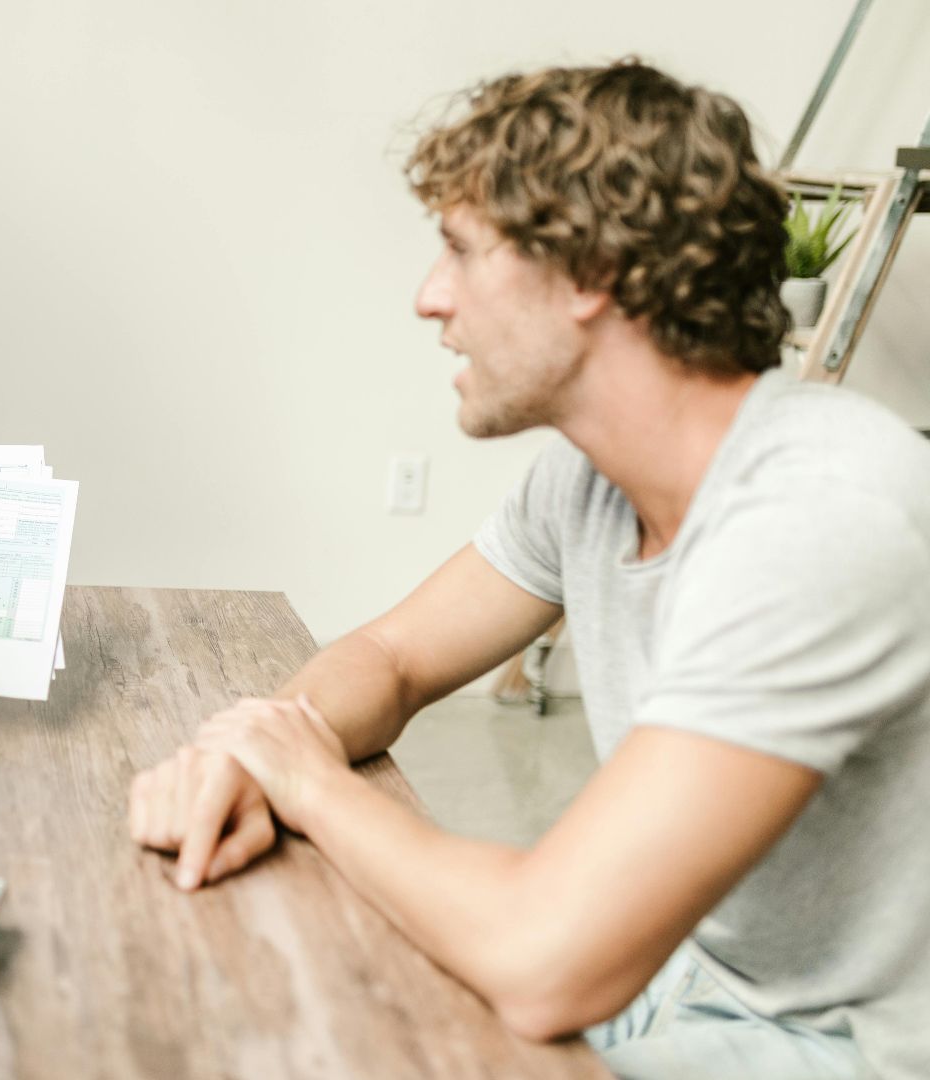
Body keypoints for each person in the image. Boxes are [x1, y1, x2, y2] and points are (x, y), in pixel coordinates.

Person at [128, 60, 928, 1079]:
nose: (429, 297)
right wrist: (256, 750)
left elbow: (546, 959)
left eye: (461, 251)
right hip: (684, 982)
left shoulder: (825, 513)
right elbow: (396, 657)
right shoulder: (586, 482)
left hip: (845, 1049)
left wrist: (310, 783)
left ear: (591, 272)